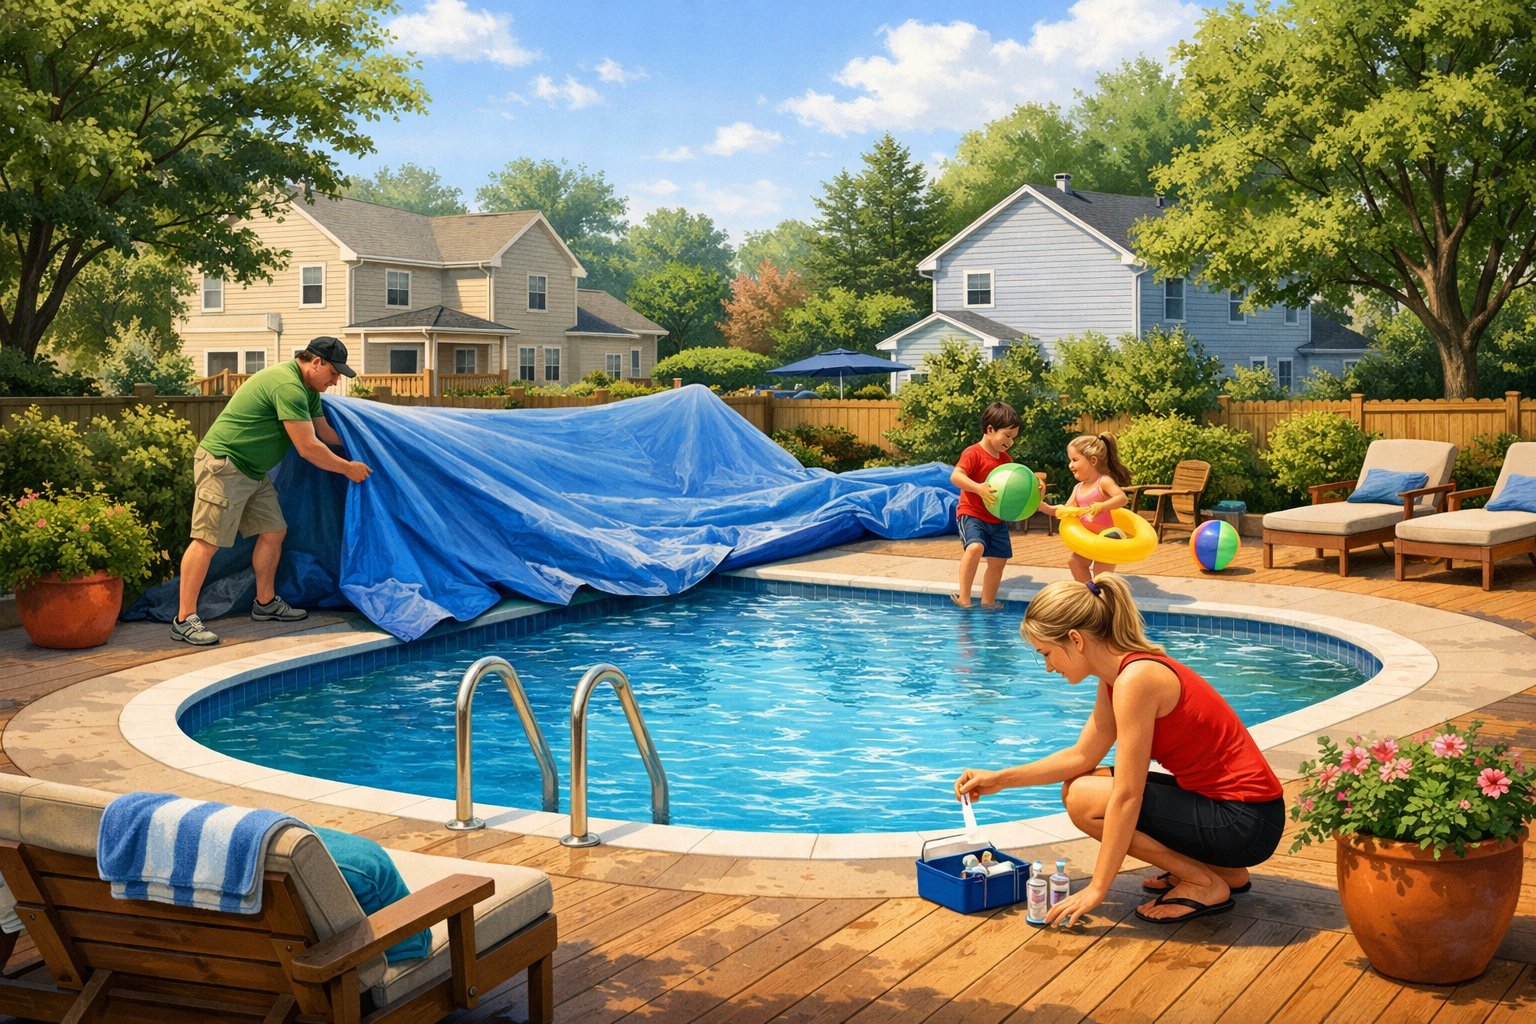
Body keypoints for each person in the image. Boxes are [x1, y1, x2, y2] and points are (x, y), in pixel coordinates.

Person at [953, 574, 1284, 926]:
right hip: (1241, 814)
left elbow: (1128, 795)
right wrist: (1000, 779)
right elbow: (1082, 756)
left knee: (1084, 797)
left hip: (1244, 822)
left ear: (1076, 640)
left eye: (1047, 654)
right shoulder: (1119, 675)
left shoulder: (1136, 680)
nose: (1049, 666)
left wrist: (1098, 887)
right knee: (1082, 781)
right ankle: (1224, 872)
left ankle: (1202, 882)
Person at [171, 336, 373, 646]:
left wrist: (365, 446)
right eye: (333, 373)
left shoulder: (308, 390)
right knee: (207, 541)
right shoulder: (287, 386)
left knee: (274, 531)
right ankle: (184, 619)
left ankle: (264, 604)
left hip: (253, 470)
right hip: (224, 465)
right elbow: (308, 448)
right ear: (316, 362)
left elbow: (324, 432)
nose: (335, 381)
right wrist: (348, 469)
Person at [949, 402, 1023, 609]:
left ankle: (987, 601)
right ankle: (964, 598)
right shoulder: (973, 453)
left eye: (1013, 438)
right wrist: (978, 488)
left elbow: (1016, 484)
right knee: (975, 547)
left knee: (999, 560)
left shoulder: (1006, 459)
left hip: (996, 517)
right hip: (971, 513)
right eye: (1007, 435)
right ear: (990, 429)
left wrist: (1036, 487)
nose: (1010, 442)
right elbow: (956, 476)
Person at [1040, 433, 1132, 583]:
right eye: (1070, 460)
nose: (1070, 465)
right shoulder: (1078, 488)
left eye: (1075, 460)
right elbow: (1065, 510)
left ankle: (1103, 599)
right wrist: (1044, 507)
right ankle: (1090, 592)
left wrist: (1102, 506)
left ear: (1093, 460)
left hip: (1106, 538)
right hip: (1088, 539)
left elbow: (1122, 498)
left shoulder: (1103, 482)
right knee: (1074, 562)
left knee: (1100, 574)